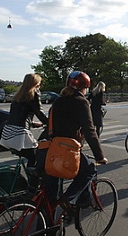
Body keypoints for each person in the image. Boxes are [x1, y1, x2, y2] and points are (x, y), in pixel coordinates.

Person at [42, 71, 108, 212]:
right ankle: (70, 199)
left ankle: (46, 226)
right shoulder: (81, 102)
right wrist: (99, 156)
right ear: (85, 87)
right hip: (66, 150)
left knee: (49, 199)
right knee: (89, 169)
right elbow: (90, 131)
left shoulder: (58, 101)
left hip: (49, 149)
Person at [0, 73, 48, 167]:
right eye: (39, 84)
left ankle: (31, 177)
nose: (39, 86)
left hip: (8, 133)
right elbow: (40, 113)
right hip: (19, 135)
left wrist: (32, 123)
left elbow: (18, 115)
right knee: (36, 155)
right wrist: (51, 124)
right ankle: (33, 180)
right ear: (35, 84)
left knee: (31, 155)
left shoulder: (18, 96)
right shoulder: (34, 94)